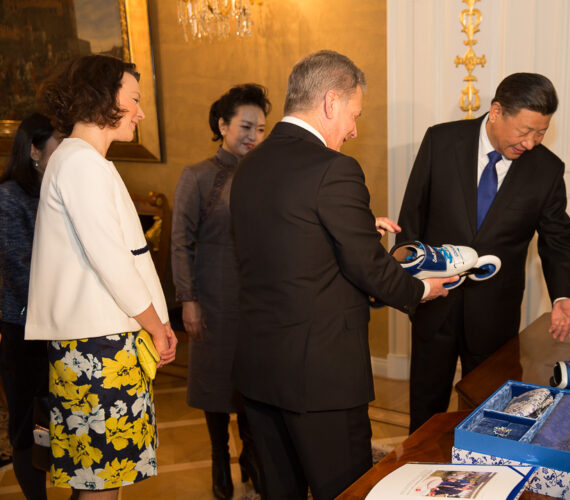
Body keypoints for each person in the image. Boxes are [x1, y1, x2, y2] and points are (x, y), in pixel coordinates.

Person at [230, 50, 456, 500]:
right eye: (354, 114)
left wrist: (355, 227)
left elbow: (286, 241)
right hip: (321, 376)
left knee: (281, 491)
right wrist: (420, 289)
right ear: (331, 102)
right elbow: (367, 267)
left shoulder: (250, 163)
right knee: (347, 490)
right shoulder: (334, 168)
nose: (354, 129)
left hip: (259, 367)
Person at [397, 72, 570, 433]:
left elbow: (557, 239)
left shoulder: (546, 169)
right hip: (435, 299)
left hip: (495, 311)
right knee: (426, 402)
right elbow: (412, 219)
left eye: (541, 133)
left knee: (488, 407)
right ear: (497, 112)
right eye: (525, 131)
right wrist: (410, 286)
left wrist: (563, 294)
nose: (531, 143)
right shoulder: (441, 141)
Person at [26, 54, 177, 499]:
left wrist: (155, 325)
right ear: (105, 98)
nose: (141, 112)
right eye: (134, 99)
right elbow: (113, 261)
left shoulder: (84, 161)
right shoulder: (80, 163)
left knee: (102, 479)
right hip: (99, 349)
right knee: (101, 484)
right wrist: (157, 325)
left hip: (104, 343)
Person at [171, 84, 269, 500]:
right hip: (211, 296)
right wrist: (188, 301)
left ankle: (250, 457)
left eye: (261, 129)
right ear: (223, 125)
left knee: (253, 384)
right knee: (214, 386)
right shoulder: (196, 176)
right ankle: (218, 459)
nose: (254, 136)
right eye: (246, 126)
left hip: (258, 299)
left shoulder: (266, 173)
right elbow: (179, 242)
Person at [0, 112, 62, 500]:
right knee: (27, 423)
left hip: (62, 325)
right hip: (24, 326)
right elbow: (18, 269)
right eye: (59, 143)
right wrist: (59, 313)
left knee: (60, 418)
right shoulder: (8, 196)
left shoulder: (58, 189)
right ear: (35, 150)